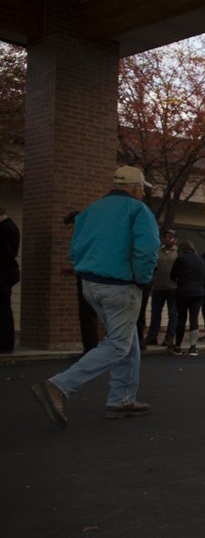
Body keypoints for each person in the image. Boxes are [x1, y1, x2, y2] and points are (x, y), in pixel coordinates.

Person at [31, 165, 160, 427]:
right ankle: (58, 386)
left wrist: (83, 269)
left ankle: (121, 399)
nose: (143, 194)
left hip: (90, 284)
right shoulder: (138, 210)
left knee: (128, 341)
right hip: (120, 286)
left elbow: (76, 249)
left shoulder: (91, 210)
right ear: (136, 188)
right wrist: (142, 280)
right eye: (142, 189)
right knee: (118, 344)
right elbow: (147, 250)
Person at [60, 211, 100, 355]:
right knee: (86, 313)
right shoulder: (87, 236)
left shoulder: (85, 237)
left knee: (88, 312)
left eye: (71, 228)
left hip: (90, 277)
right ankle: (89, 347)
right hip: (86, 275)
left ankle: (91, 348)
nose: (70, 232)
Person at [143, 228, 178, 347]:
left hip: (173, 288)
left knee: (173, 314)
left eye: (170, 237)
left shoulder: (178, 253)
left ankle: (169, 338)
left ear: (175, 240)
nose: (167, 239)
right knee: (155, 313)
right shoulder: (157, 251)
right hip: (158, 288)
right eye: (166, 237)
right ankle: (152, 337)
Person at [169, 240, 205, 355]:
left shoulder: (180, 259)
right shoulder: (201, 260)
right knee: (194, 318)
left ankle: (178, 346)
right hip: (198, 292)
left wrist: (179, 279)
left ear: (182, 250)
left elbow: (172, 275)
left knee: (182, 319)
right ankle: (193, 347)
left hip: (183, 292)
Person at [0, 206, 19, 353]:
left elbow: (7, 254)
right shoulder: (9, 227)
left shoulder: (6, 229)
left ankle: (5, 344)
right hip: (7, 273)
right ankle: (5, 343)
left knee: (3, 308)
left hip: (4, 274)